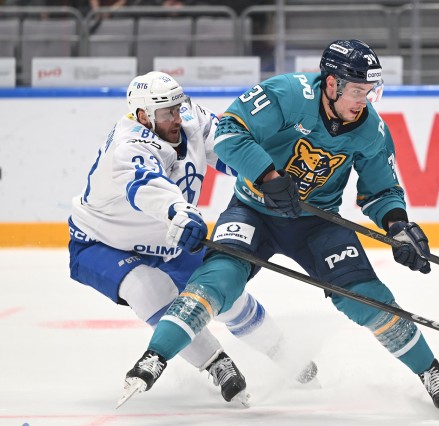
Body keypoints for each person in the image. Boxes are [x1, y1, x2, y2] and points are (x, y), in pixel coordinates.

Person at [120, 39, 439, 414]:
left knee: (365, 297)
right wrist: (267, 176)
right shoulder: (287, 94)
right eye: (357, 91)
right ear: (331, 84)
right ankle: (156, 356)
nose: (363, 101)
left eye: (370, 92)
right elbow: (229, 132)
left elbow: (381, 190)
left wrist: (397, 226)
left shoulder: (372, 131)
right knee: (219, 281)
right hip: (252, 211)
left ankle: (431, 371)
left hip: (318, 224)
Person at [68, 71, 306, 408]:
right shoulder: (128, 146)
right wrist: (180, 213)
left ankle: (285, 353)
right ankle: (216, 363)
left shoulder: (191, 118)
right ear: (143, 116)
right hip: (102, 241)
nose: (177, 118)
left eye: (178, 108)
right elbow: (147, 185)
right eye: (167, 113)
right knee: (148, 290)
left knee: (227, 296)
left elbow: (228, 149)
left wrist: (266, 176)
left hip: (166, 238)